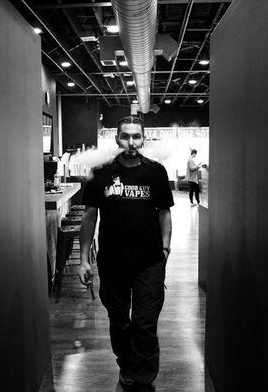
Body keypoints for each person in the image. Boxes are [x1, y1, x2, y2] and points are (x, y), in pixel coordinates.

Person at [78, 115, 173, 392]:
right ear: (117, 138)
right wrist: (84, 259)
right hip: (112, 261)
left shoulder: (156, 171)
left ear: (143, 139)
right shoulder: (102, 171)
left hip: (149, 260)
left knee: (145, 322)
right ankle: (127, 366)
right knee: (119, 321)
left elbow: (164, 213)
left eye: (136, 136)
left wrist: (165, 248)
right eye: (125, 136)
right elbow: (90, 216)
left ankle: (144, 378)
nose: (131, 142)